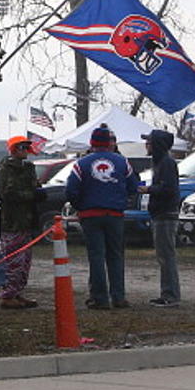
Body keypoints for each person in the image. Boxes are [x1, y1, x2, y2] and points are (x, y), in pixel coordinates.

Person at [65, 124, 137, 310]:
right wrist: (121, 200)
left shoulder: (82, 164)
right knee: (116, 256)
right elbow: (133, 187)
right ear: (109, 143)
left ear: (92, 143)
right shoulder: (122, 162)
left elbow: (71, 190)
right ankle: (119, 297)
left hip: (90, 215)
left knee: (96, 257)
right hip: (115, 214)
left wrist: (80, 206)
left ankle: (100, 298)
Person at [0, 136, 44, 309]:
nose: (26, 151)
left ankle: (17, 292)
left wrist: (37, 191)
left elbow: (31, 187)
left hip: (27, 220)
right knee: (13, 261)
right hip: (12, 221)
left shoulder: (28, 168)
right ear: (14, 149)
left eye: (27, 147)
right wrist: (32, 195)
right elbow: (6, 194)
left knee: (24, 261)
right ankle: (8, 295)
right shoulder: (6, 169)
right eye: (23, 147)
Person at [138, 129, 181, 307]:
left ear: (157, 145)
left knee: (166, 256)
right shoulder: (160, 163)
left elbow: (169, 189)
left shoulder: (167, 163)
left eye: (149, 142)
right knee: (163, 256)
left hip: (166, 215)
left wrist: (149, 190)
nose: (146, 145)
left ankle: (170, 295)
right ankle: (167, 292)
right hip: (160, 215)